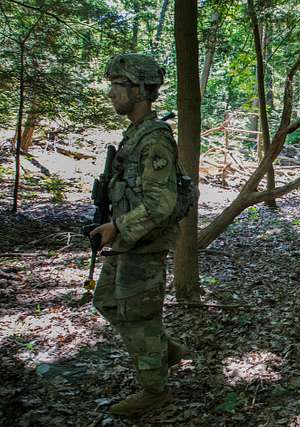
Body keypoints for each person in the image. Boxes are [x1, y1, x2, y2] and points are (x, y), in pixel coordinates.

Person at [90, 53, 186, 416]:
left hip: (142, 243)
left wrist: (118, 227)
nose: (112, 93)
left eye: (119, 86)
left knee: (140, 317)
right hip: (129, 243)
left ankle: (155, 391)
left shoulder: (155, 139)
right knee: (108, 301)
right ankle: (165, 350)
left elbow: (161, 203)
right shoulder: (136, 133)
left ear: (140, 91)